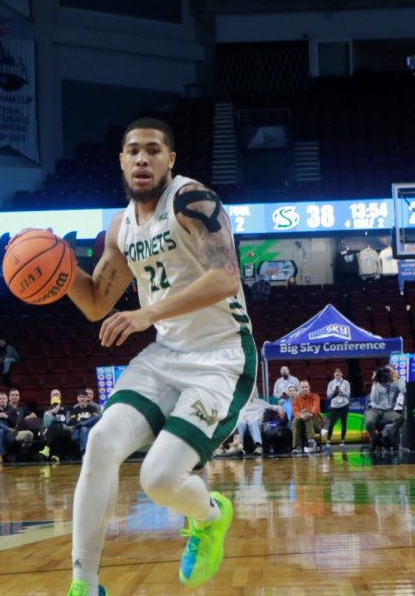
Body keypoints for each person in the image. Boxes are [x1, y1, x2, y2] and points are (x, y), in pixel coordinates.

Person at [31, 117, 256, 596]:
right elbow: (95, 303)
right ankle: (84, 585)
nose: (142, 159)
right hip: (166, 354)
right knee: (101, 443)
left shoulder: (194, 201)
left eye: (153, 150)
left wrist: (144, 313)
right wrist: (62, 263)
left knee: (158, 479)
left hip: (221, 358)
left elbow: (225, 278)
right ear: (121, 160)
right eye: (133, 150)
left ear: (170, 160)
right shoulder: (121, 227)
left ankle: (210, 515)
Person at [290, 380, 322, 455]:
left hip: (316, 424)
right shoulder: (295, 399)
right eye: (303, 387)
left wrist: (309, 414)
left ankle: (311, 442)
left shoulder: (315, 396)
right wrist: (301, 415)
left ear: (309, 387)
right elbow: (295, 412)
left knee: (307, 414)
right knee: (296, 420)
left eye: (306, 387)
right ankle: (296, 447)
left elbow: (315, 407)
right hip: (302, 423)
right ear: (300, 389)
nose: (305, 388)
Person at [67, 389, 102, 457]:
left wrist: (82, 423)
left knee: (97, 417)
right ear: (77, 399)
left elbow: (95, 420)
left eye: (83, 397)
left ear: (86, 398)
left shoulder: (93, 408)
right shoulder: (74, 410)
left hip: (90, 429)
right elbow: (74, 423)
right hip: (77, 431)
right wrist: (83, 425)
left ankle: (84, 452)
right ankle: (86, 452)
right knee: (83, 429)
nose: (82, 399)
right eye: (80, 397)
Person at [323, 368, 352, 446]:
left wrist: (341, 391)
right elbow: (328, 396)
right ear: (334, 375)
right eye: (336, 374)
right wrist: (334, 391)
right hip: (334, 405)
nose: (338, 375)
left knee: (343, 422)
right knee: (331, 423)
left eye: (339, 374)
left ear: (341, 374)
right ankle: (328, 440)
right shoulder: (331, 383)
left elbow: (348, 395)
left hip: (344, 404)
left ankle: (342, 440)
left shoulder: (346, 383)